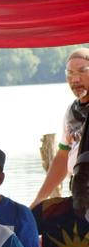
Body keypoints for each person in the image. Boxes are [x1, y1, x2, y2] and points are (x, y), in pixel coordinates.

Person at [33, 48, 89, 207]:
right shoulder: (72, 112)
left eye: (82, 71)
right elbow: (63, 156)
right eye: (70, 73)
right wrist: (39, 199)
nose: (75, 79)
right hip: (79, 194)